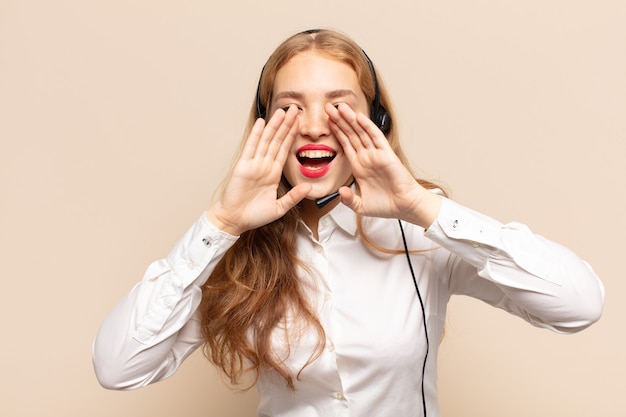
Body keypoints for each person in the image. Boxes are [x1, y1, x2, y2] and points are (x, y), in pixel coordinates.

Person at [92, 29, 604, 417]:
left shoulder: (425, 235)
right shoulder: (233, 251)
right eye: (291, 108)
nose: (314, 125)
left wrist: (423, 209)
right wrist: (221, 223)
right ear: (265, 128)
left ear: (376, 122)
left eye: (339, 106)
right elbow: (118, 368)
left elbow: (579, 305)